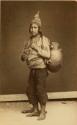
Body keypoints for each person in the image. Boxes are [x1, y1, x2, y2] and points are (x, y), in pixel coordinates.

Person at [21, 11, 50, 120]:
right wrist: (24, 56)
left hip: (41, 69)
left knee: (40, 90)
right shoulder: (28, 41)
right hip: (32, 69)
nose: (33, 29)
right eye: (31, 27)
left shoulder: (44, 40)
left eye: (35, 27)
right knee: (30, 89)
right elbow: (23, 56)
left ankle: (43, 112)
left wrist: (37, 49)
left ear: (39, 29)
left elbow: (47, 54)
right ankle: (35, 110)